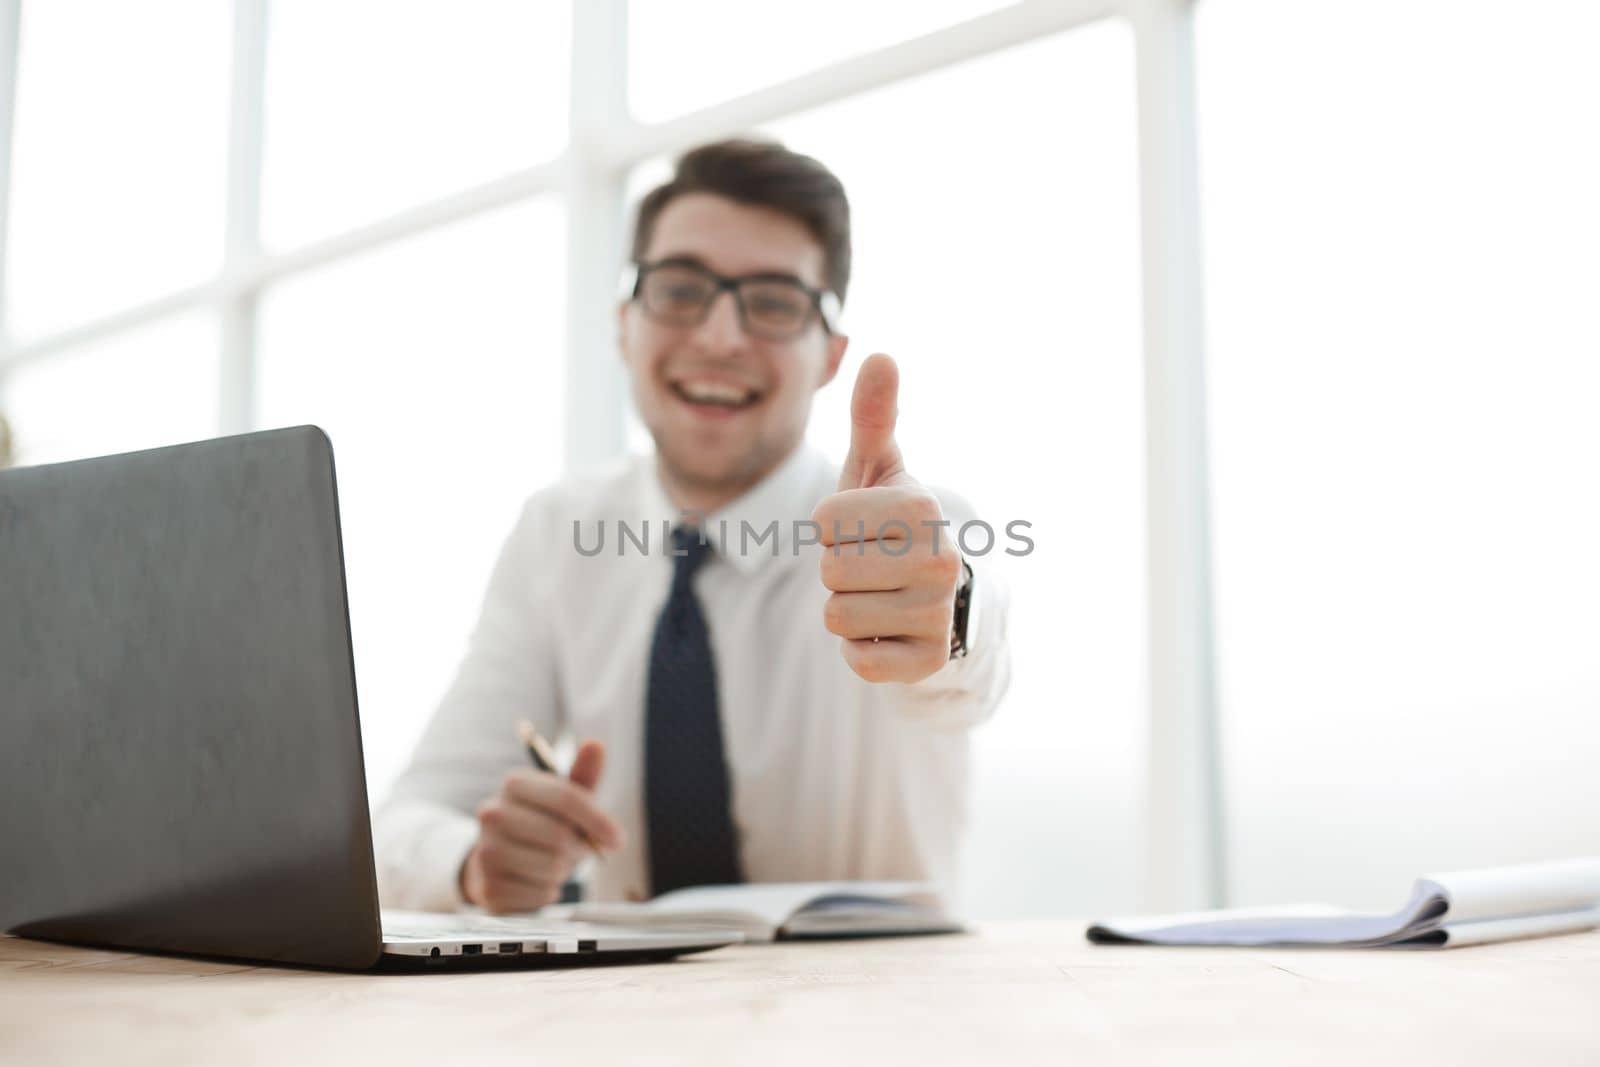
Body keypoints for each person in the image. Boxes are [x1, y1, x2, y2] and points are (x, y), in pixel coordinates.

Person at [374, 138, 1010, 912]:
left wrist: (947, 615)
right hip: (627, 1021)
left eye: (774, 302)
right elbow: (409, 818)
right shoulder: (558, 532)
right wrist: (473, 863)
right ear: (623, 325)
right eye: (680, 291)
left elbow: (970, 663)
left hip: (874, 1014)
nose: (718, 337)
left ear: (830, 357)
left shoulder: (912, 533)